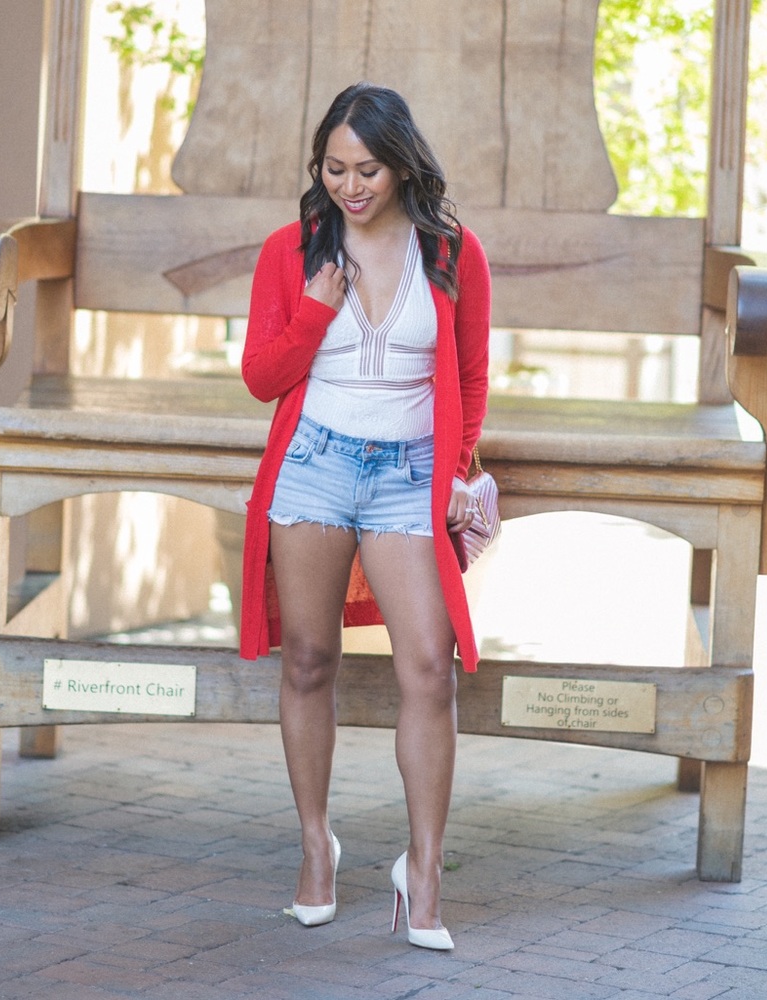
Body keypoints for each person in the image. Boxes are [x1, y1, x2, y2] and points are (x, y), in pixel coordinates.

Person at [239, 82, 490, 951]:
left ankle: (424, 869)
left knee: (428, 668)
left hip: (408, 475)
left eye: (369, 170)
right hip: (313, 465)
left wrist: (455, 470)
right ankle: (318, 847)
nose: (351, 186)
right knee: (309, 660)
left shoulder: (451, 251)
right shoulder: (290, 251)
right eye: (335, 169)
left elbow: (470, 376)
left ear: (403, 166)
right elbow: (262, 377)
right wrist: (316, 306)